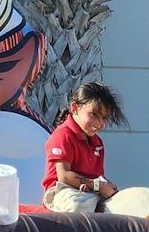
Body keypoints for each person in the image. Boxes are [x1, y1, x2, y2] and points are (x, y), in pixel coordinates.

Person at [42, 81, 127, 213]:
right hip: (62, 191)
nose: (99, 123)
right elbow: (64, 176)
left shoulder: (97, 142)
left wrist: (108, 187)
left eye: (104, 117)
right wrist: (99, 186)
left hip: (90, 191)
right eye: (94, 114)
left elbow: (98, 177)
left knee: (122, 204)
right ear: (75, 108)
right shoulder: (62, 135)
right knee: (78, 205)